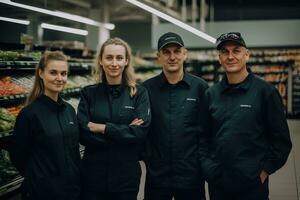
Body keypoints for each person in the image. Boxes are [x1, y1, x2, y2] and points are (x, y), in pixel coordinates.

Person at [199, 32, 292, 200]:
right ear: (219, 58)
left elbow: (281, 140)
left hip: (253, 186)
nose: (230, 56)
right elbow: (202, 138)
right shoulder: (210, 95)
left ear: (246, 55)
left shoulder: (266, 92)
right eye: (225, 52)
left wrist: (264, 171)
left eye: (236, 51)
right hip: (218, 185)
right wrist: (208, 169)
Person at [77, 38, 151, 200]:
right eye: (109, 57)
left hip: (125, 178)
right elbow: (83, 134)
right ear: (101, 61)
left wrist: (101, 128)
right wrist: (125, 134)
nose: (114, 63)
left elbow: (139, 134)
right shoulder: (88, 94)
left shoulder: (139, 93)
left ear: (126, 61)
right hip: (93, 177)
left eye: (119, 58)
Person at [143, 32, 208, 200]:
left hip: (191, 176)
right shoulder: (147, 89)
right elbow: (142, 128)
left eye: (177, 51)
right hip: (157, 176)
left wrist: (200, 163)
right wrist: (150, 158)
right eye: (166, 52)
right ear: (158, 56)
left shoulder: (200, 87)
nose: (172, 57)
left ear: (184, 54)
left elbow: (207, 130)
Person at [9, 51, 81, 200]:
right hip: (43, 193)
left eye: (63, 73)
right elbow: (18, 155)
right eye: (53, 73)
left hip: (71, 191)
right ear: (41, 73)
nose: (59, 78)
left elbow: (73, 151)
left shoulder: (69, 110)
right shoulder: (29, 114)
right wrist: (39, 178)